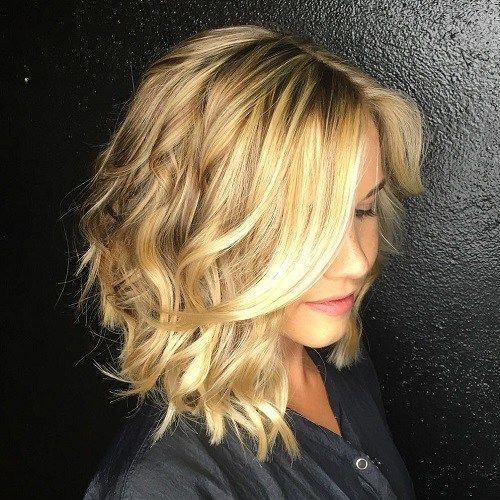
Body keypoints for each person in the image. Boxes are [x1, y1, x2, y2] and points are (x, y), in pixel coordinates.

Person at [77, 23, 426, 499]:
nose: (357, 262)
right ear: (201, 229)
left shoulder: (340, 363)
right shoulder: (165, 486)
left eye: (363, 210)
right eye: (306, 222)